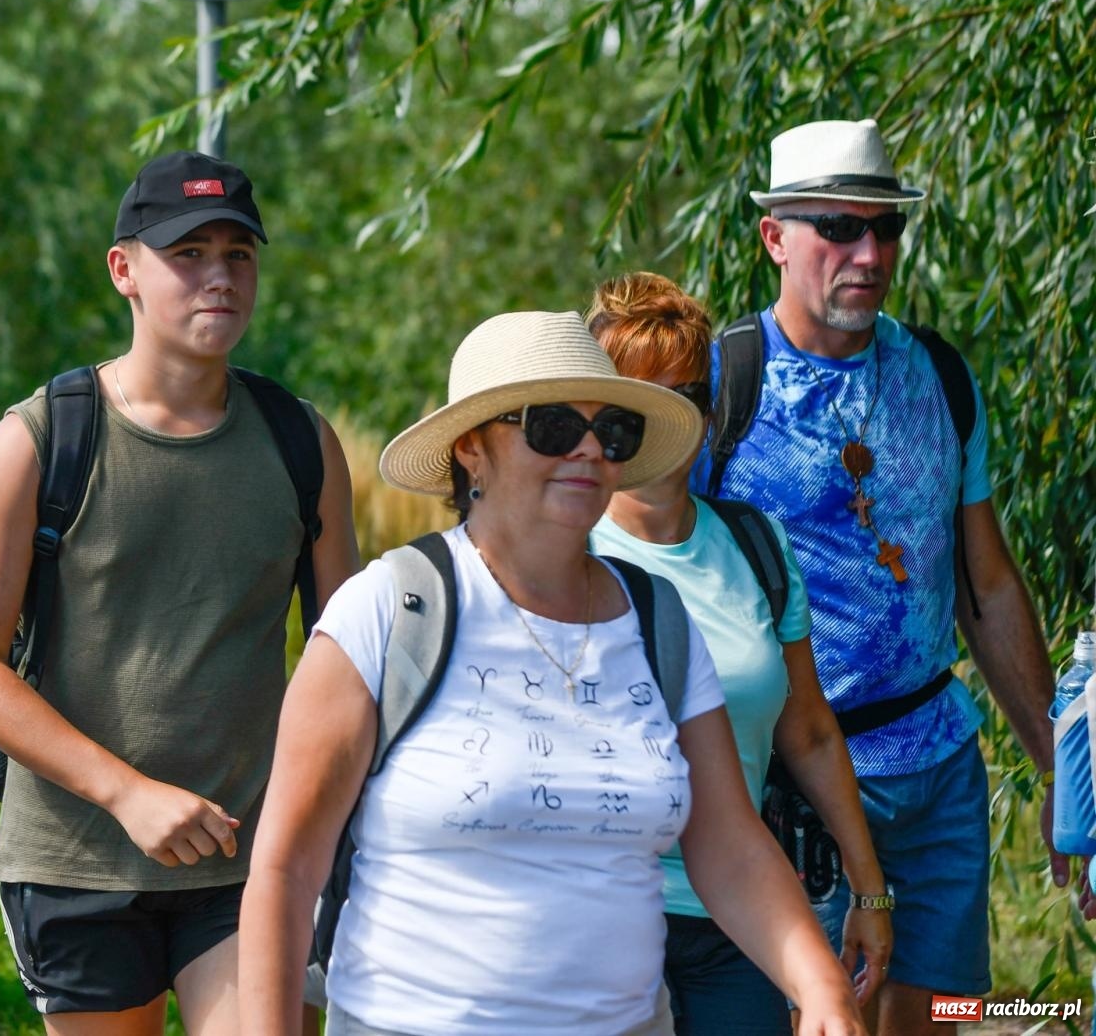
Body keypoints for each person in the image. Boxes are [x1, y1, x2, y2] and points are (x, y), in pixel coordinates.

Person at [239, 309, 867, 1036]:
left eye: (615, 431)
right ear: (473, 448)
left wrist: (819, 985)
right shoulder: (388, 610)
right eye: (554, 427)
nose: (591, 450)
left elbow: (729, 846)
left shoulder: (658, 619)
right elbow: (285, 873)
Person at [0, 151, 359, 1036]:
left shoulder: (299, 440)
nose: (219, 278)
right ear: (124, 270)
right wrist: (129, 793)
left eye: (237, 255)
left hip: (250, 854)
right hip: (76, 858)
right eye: (189, 253)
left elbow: (346, 655)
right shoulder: (41, 438)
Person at [697, 117, 1088, 1033]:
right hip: (793, 785)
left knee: (939, 1018)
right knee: (829, 1019)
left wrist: (1058, 776)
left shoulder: (940, 376)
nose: (868, 253)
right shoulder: (719, 389)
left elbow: (985, 585)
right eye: (837, 228)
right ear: (774, 238)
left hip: (940, 764)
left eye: (886, 227)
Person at [586, 272, 891, 1034]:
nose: (670, 420)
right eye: (640, 400)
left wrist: (869, 889)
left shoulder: (754, 545)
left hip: (737, 921)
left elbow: (809, 731)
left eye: (688, 394)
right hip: (602, 919)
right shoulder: (565, 553)